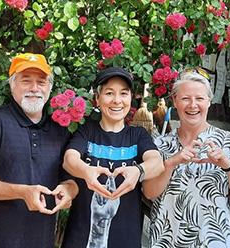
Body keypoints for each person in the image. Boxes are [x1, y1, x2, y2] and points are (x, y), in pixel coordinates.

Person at [0, 53, 79, 247]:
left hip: (39, 241)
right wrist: (22, 192)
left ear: (49, 88)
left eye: (41, 82)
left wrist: (68, 191)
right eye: (26, 81)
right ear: (12, 85)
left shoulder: (60, 129)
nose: (34, 88)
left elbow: (70, 180)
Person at [144, 70, 230, 248]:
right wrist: (172, 162)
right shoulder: (159, 145)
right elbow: (149, 192)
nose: (193, 105)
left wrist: (227, 165)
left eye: (200, 99)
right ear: (175, 101)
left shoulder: (229, 142)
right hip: (166, 242)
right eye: (186, 98)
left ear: (209, 102)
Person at [61, 67, 164, 248]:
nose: (117, 100)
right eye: (109, 93)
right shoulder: (87, 130)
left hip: (125, 238)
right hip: (81, 237)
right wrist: (85, 171)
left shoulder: (138, 135)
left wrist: (138, 171)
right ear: (98, 100)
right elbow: (70, 159)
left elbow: (157, 163)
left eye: (123, 93)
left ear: (131, 99)